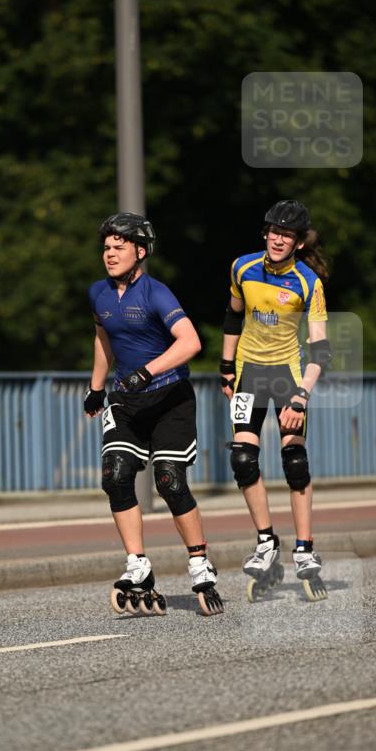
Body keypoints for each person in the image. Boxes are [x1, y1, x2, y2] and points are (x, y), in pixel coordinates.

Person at [85, 212, 223, 617]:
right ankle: (138, 565)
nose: (109, 254)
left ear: (140, 251)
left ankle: (199, 563)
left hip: (169, 399)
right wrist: (96, 388)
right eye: (106, 247)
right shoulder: (99, 294)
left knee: (169, 480)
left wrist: (147, 371)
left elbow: (191, 342)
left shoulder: (156, 293)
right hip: (126, 400)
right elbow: (103, 340)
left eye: (119, 247)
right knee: (115, 475)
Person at [220, 199, 331, 601]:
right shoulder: (242, 268)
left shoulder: (308, 282)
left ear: (299, 242)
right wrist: (225, 366)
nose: (277, 239)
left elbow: (320, 351)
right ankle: (266, 542)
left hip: (288, 378)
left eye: (286, 234)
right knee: (242, 459)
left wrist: (301, 397)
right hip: (250, 373)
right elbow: (233, 317)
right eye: (273, 231)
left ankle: (304, 549)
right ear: (264, 233)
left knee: (294, 461)